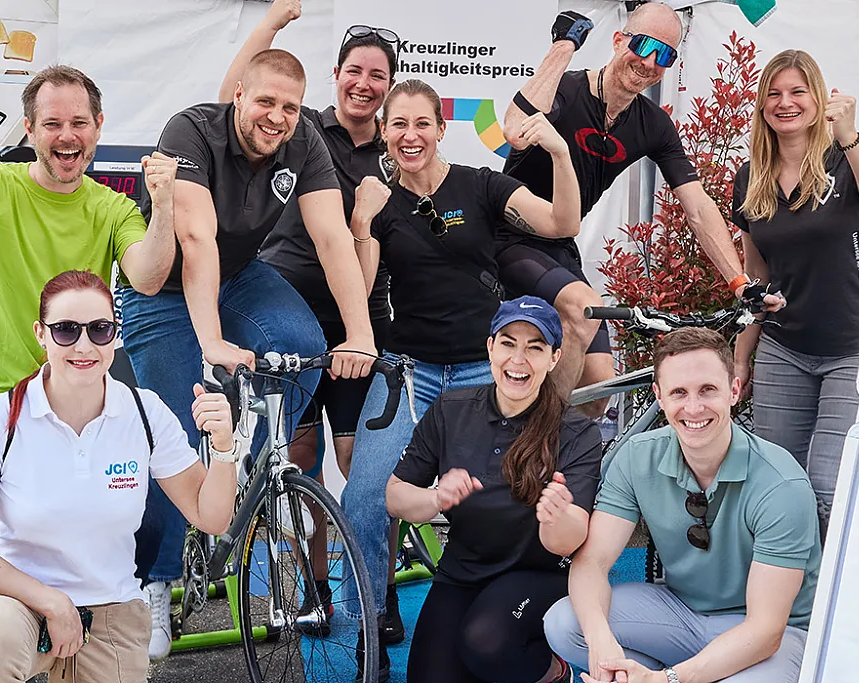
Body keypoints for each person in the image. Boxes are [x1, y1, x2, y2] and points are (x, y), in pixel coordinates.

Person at [118, 48, 379, 660]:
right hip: (159, 292)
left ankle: (245, 476)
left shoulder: (304, 140)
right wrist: (210, 341)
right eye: (265, 101)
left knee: (303, 344)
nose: (278, 117)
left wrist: (360, 333)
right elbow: (195, 238)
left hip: (237, 277)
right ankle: (157, 581)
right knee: (173, 436)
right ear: (238, 93)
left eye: (290, 106)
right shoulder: (191, 129)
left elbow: (334, 237)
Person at [340, 78, 582, 680]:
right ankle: (371, 624)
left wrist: (558, 151)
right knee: (365, 497)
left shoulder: (479, 184)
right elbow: (366, 286)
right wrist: (363, 225)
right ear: (385, 133)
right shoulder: (379, 200)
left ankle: (522, 613)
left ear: (441, 128)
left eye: (422, 123)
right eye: (398, 125)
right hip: (409, 368)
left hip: (485, 364)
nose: (410, 136)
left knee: (517, 491)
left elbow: (559, 222)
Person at [0, 270, 239, 683]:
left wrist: (224, 447)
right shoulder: (0, 417)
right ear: (41, 334)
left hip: (111, 608)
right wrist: (50, 601)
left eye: (99, 330)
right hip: (14, 600)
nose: (83, 346)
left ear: (116, 334)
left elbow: (212, 516)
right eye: (65, 331)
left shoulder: (144, 412)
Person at [0, 31, 179, 460]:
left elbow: (149, 277)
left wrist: (164, 206)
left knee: (70, 530)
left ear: (98, 127)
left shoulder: (114, 208)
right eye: (52, 124)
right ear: (29, 129)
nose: (67, 136)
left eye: (79, 123)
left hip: (74, 400)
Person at [217, 0, 401, 641]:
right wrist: (271, 23)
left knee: (364, 467)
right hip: (284, 311)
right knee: (298, 458)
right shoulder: (299, 127)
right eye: (355, 70)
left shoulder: (396, 152)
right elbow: (228, 103)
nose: (364, 83)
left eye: (377, 75)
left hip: (355, 322)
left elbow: (373, 248)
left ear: (389, 87)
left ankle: (377, 593)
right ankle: (312, 588)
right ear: (337, 75)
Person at [500, 4, 782, 414]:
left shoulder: (652, 124)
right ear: (618, 41)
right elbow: (514, 130)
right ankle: (536, 450)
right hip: (508, 236)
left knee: (596, 394)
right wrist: (564, 44)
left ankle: (562, 455)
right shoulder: (564, 90)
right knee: (582, 309)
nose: (650, 61)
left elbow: (698, 206)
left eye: (664, 54)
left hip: (559, 245)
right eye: (643, 45)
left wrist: (739, 281)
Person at [544, 327, 821, 683]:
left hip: (770, 635)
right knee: (566, 624)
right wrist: (601, 644)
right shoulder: (637, 457)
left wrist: (668, 679)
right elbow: (592, 562)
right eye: (679, 392)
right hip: (682, 614)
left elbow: (766, 630)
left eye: (708, 390)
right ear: (659, 397)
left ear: (734, 390)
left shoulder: (782, 484)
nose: (693, 408)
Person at [731, 50, 859, 534]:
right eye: (774, 93)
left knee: (827, 488)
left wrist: (847, 138)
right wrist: (743, 357)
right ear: (762, 104)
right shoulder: (750, 178)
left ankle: (820, 604)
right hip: (784, 350)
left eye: (797, 91)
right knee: (775, 485)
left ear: (819, 96)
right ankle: (780, 599)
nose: (785, 103)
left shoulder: (853, 156)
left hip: (852, 349)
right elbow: (757, 275)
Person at [388, 297, 601, 683]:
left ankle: (553, 672)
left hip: (539, 572)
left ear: (554, 358)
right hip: (463, 571)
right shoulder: (450, 410)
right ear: (490, 348)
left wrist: (555, 513)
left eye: (535, 348)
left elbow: (571, 540)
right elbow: (396, 496)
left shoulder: (576, 431)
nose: (518, 359)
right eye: (508, 343)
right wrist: (436, 497)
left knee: (486, 644)